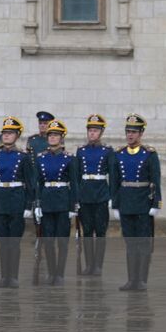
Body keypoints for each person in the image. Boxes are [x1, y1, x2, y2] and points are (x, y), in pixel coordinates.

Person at [112, 114, 160, 292]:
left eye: (134, 132)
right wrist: (115, 204)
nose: (130, 135)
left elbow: (156, 180)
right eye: (128, 132)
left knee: (143, 244)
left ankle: (142, 280)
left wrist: (156, 203)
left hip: (142, 204)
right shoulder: (119, 154)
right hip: (126, 203)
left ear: (141, 134)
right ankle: (131, 279)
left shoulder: (149, 154)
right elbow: (115, 182)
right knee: (130, 243)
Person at [0, 117, 33, 287]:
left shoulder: (23, 157)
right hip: (0, 201)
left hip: (16, 201)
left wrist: (28, 205)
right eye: (4, 133)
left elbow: (30, 183)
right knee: (3, 242)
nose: (6, 136)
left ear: (17, 136)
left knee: (14, 242)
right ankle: (3, 276)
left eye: (10, 133)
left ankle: (13, 276)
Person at [33, 119, 77, 285]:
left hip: (63, 201)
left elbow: (74, 184)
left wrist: (73, 205)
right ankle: (51, 272)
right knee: (48, 240)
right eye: (50, 135)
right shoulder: (41, 158)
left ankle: (59, 273)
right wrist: (37, 203)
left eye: (55, 135)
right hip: (46, 201)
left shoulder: (69, 158)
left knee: (62, 241)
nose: (52, 138)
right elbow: (37, 182)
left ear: (61, 138)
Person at [75, 113, 115, 276]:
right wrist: (76, 197)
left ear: (101, 133)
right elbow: (77, 176)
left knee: (100, 231)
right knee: (87, 231)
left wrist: (112, 196)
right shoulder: (81, 151)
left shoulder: (107, 151)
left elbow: (112, 174)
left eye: (95, 131)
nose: (92, 133)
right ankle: (89, 265)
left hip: (100, 194)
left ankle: (98, 265)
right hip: (85, 194)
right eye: (90, 130)